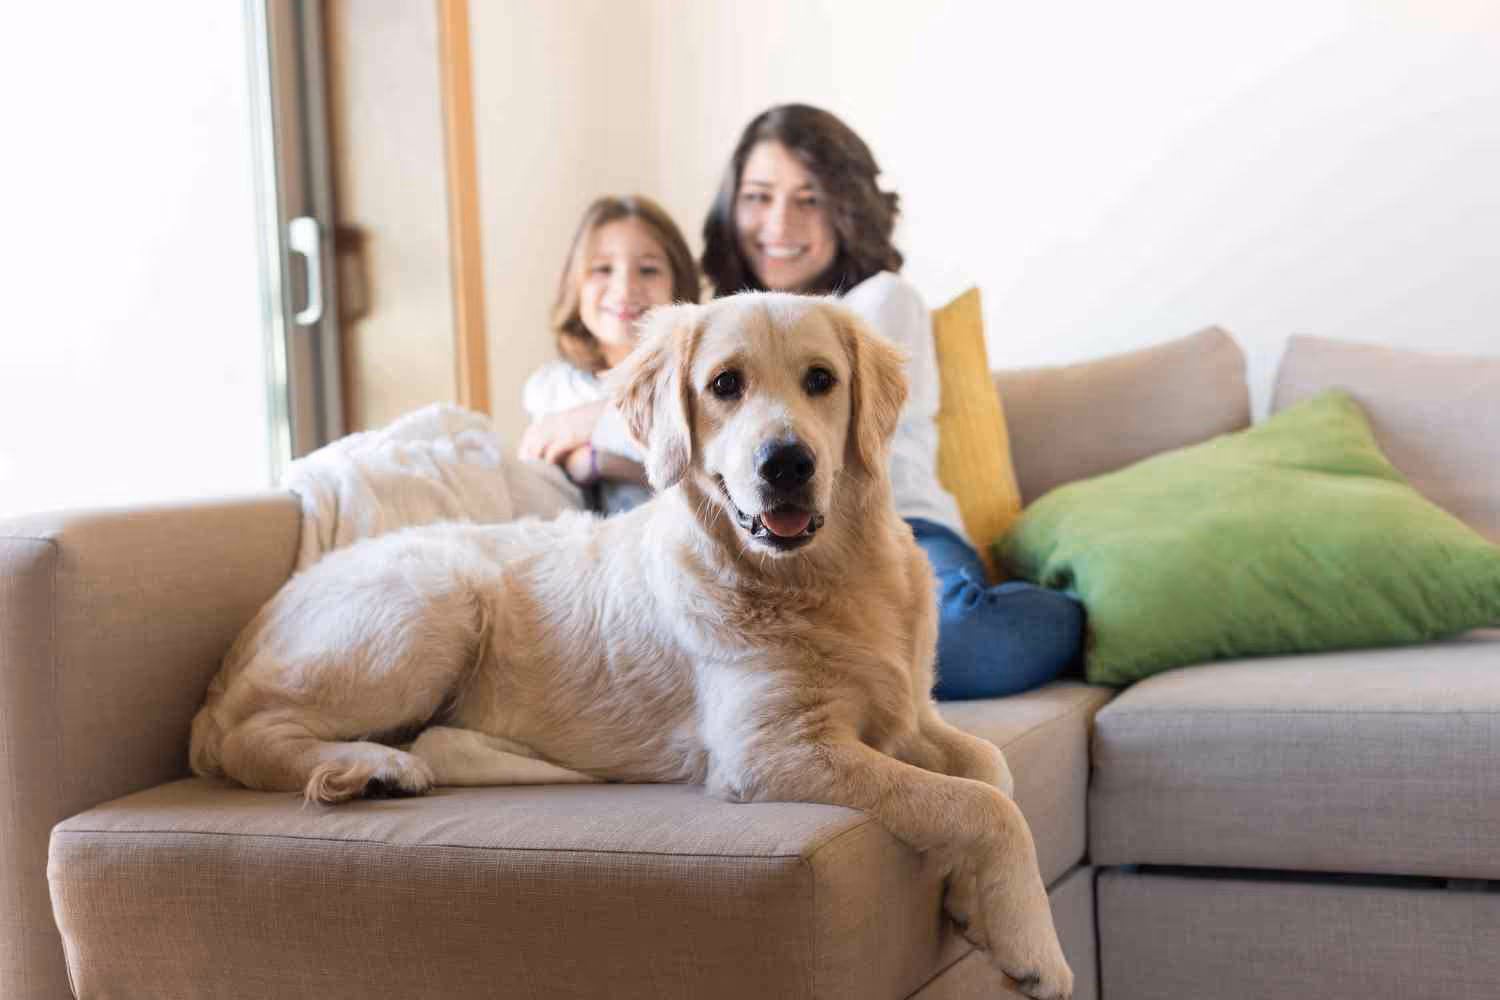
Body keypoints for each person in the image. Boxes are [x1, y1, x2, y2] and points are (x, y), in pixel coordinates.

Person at [700, 104, 1085, 700]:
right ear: (732, 207)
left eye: (809, 199)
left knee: (949, 638)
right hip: (765, 537)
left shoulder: (879, 303)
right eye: (758, 196)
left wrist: (591, 432)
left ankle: (1084, 612)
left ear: (846, 207)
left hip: (902, 526)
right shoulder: (711, 333)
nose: (779, 222)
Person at [518, 195, 700, 514]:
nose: (626, 287)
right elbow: (538, 476)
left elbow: (701, 470)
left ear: (678, 283)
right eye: (603, 269)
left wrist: (598, 460)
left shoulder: (701, 378)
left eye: (648, 269)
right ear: (574, 286)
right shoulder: (553, 387)